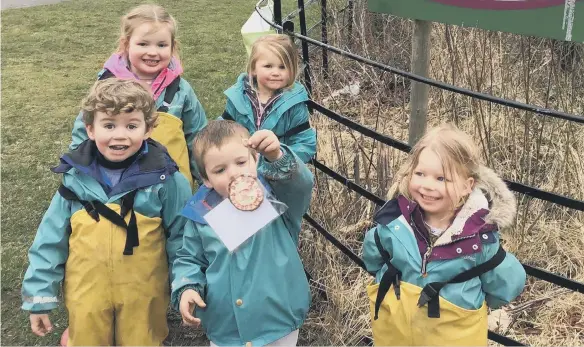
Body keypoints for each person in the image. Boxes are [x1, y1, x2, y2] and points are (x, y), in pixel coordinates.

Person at [21, 79, 192, 346]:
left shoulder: (168, 181)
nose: (120, 135)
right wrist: (39, 296)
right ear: (90, 129)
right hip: (86, 292)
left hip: (144, 294)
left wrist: (186, 284)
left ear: (148, 129)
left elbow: (184, 237)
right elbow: (49, 240)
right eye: (109, 125)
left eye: (132, 125)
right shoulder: (74, 179)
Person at [362, 124, 526, 346]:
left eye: (442, 178)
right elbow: (373, 254)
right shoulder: (394, 224)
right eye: (420, 174)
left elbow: (507, 284)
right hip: (396, 334)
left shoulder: (480, 240)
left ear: (467, 186)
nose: (428, 185)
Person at [171, 120, 314, 346]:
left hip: (278, 320)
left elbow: (301, 186)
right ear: (206, 179)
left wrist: (277, 155)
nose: (233, 173)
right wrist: (187, 286)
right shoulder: (201, 215)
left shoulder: (278, 197)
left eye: (240, 162)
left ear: (255, 160)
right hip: (226, 328)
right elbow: (188, 258)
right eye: (220, 170)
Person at [70, 4, 207, 187]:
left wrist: (207, 177)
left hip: (171, 188)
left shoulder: (181, 90)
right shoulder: (105, 87)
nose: (152, 52)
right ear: (126, 44)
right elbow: (84, 132)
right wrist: (76, 172)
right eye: (143, 44)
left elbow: (198, 137)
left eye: (162, 45)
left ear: (173, 47)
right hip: (117, 189)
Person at [222, 34, 316, 164]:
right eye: (268, 66)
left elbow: (305, 143)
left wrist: (280, 157)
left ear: (292, 69)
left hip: (278, 173)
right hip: (241, 167)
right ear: (253, 68)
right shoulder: (238, 97)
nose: (276, 72)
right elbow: (223, 130)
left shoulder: (295, 103)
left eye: (282, 67)